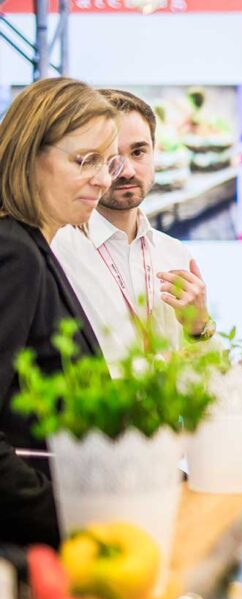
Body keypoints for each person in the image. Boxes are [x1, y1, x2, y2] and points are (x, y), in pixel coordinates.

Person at [0, 78, 121, 546]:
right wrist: (74, 523)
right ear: (30, 155)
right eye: (85, 161)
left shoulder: (33, 246)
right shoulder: (16, 253)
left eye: (107, 163)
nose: (103, 180)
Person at [52, 89, 216, 373]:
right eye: (111, 156)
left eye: (138, 152)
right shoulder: (59, 251)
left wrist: (199, 327)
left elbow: (209, 376)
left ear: (155, 152)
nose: (126, 170)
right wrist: (155, 367)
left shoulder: (173, 253)